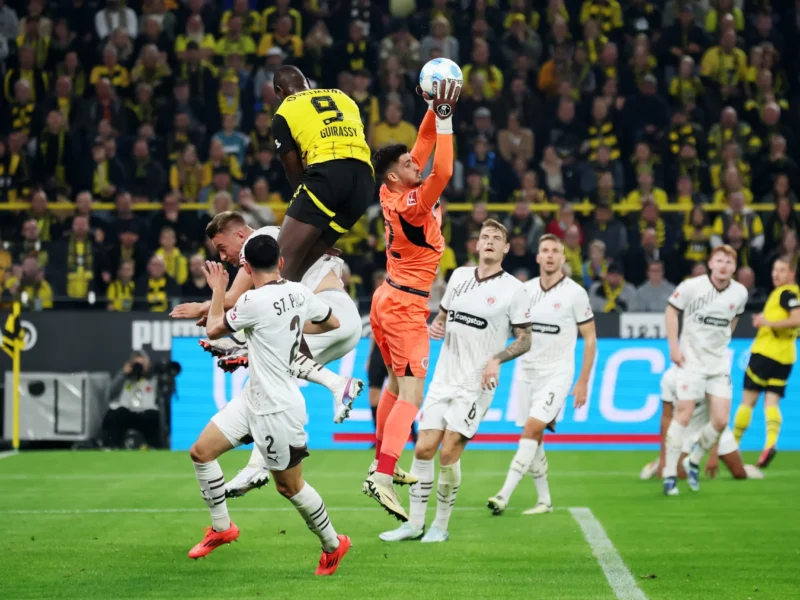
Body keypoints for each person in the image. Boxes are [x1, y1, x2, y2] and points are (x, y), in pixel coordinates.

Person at [187, 235, 352, 575]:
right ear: (280, 262)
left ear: (245, 266)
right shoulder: (299, 292)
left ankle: (334, 545)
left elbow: (216, 328)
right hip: (254, 399)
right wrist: (288, 326)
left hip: (278, 409)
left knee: (289, 486)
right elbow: (333, 322)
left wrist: (218, 288)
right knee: (201, 452)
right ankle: (222, 528)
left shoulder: (250, 301)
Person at [171, 212, 363, 497]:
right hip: (337, 319)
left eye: (223, 248)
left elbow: (235, 299)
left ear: (239, 235)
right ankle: (257, 465)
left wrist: (203, 307)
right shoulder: (278, 235)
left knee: (268, 366)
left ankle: (338, 384)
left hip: (328, 312)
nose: (224, 257)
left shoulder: (258, 243)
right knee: (267, 379)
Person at [380, 219, 532, 543]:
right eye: (485, 237)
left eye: (497, 238)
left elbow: (525, 339)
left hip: (476, 384)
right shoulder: (459, 276)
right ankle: (414, 524)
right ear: (477, 246)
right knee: (423, 449)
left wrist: (497, 359)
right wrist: (437, 326)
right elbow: (444, 316)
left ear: (506, 248)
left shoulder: (515, 290)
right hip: (444, 377)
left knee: (448, 452)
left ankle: (441, 526)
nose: (489, 241)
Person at [363, 77, 461, 521]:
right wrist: (447, 120)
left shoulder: (390, 190)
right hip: (405, 307)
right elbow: (443, 171)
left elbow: (420, 144)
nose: (414, 164)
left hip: (387, 297)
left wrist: (431, 106)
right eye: (407, 163)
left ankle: (379, 462)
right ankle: (383, 476)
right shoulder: (413, 204)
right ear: (394, 174)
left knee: (392, 386)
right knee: (412, 395)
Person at [487, 234, 597, 515]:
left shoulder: (575, 293)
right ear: (537, 257)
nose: (549, 256)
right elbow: (510, 328)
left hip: (557, 374)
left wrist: (583, 380)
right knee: (534, 437)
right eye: (545, 250)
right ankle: (544, 500)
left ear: (563, 257)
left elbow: (591, 338)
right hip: (527, 373)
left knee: (532, 429)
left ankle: (503, 494)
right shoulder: (524, 291)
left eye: (555, 251)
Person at [270, 65, 375, 281]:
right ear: (307, 83)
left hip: (327, 175)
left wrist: (303, 211)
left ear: (280, 91)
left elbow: (292, 168)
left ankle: (257, 314)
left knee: (276, 265)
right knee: (299, 271)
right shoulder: (343, 97)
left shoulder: (284, 111)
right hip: (364, 183)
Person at [662, 245, 748, 496]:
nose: (724, 266)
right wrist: (674, 347)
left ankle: (694, 460)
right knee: (684, 414)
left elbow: (735, 317)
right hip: (692, 363)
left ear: (734, 268)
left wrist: (725, 338)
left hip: (719, 364)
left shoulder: (739, 293)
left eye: (729, 263)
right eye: (719, 260)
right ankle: (669, 475)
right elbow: (671, 311)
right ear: (710, 263)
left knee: (720, 421)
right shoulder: (692, 286)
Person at [639, 365, 763, 482]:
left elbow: (717, 418)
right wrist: (663, 458)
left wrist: (713, 455)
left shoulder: (712, 376)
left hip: (710, 424)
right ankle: (659, 464)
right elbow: (666, 417)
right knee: (678, 474)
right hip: (684, 429)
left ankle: (745, 468)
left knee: (739, 474)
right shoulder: (670, 377)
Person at [732, 256, 800, 469]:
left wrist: (767, 322)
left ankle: (732, 446)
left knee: (748, 401)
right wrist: (766, 320)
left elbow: (797, 318)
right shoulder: (790, 294)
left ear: (792, 274)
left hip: (765, 354)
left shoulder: (786, 293)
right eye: (774, 269)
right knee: (771, 403)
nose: (776, 274)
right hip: (786, 356)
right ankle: (770, 443)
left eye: (781, 269)